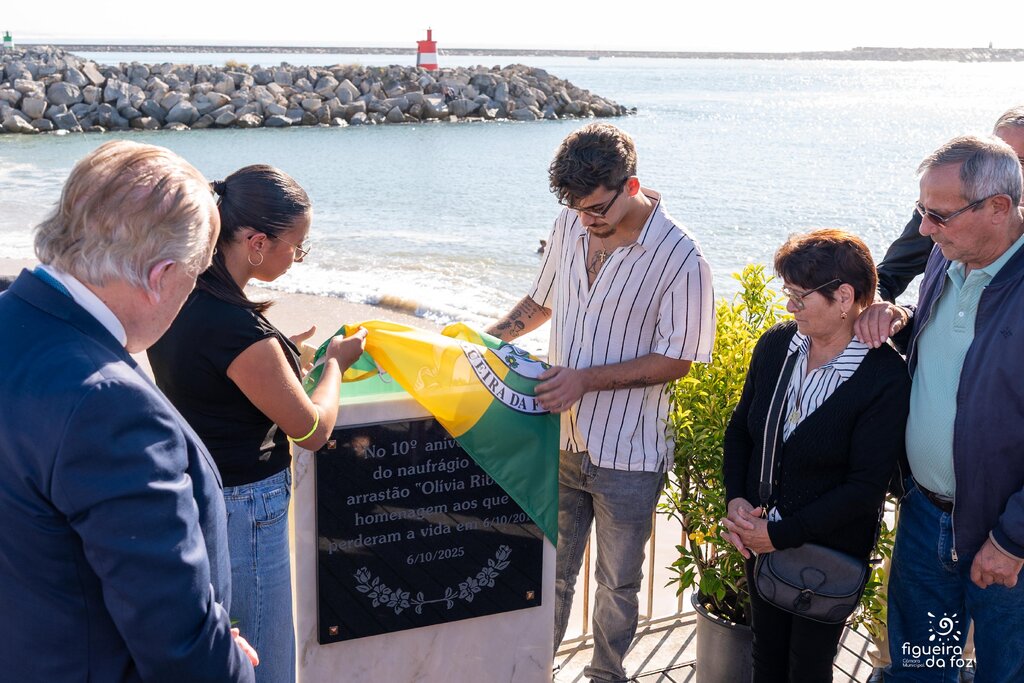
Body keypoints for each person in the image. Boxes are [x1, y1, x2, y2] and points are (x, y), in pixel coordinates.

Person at [0, 140, 257, 682]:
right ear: (161, 277)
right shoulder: (109, 405)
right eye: (195, 278)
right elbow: (181, 648)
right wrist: (226, 658)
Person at [486, 123, 715, 682]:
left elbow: (679, 358)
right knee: (550, 575)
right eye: (575, 208)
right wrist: (484, 343)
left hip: (630, 456)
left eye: (593, 209)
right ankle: (537, 671)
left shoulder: (681, 256)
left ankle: (605, 676)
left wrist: (585, 380)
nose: (584, 221)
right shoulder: (570, 221)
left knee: (618, 584)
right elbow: (541, 301)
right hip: (559, 439)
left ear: (630, 184)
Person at [148, 165, 367, 683]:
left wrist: (285, 357)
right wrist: (335, 362)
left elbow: (213, 375)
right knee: (265, 656)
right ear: (256, 242)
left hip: (197, 491)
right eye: (298, 245)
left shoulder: (178, 292)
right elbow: (312, 430)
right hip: (247, 506)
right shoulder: (239, 330)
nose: (299, 257)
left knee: (223, 645)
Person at [855, 135, 1024, 682]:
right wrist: (900, 318)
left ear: (999, 207)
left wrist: (1013, 540)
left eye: (938, 215)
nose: (924, 228)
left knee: (1004, 671)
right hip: (926, 517)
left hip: (1003, 539)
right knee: (923, 667)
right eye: (920, 212)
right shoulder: (946, 254)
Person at [719, 229, 910, 682]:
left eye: (800, 297)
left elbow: (864, 490)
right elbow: (740, 432)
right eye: (788, 294)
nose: (789, 307)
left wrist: (781, 534)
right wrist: (737, 501)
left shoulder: (885, 376)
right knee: (765, 659)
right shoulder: (777, 345)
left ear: (844, 297)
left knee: (807, 669)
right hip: (760, 542)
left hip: (827, 555)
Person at [875, 106, 1024, 303]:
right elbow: (886, 278)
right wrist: (886, 315)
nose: (1012, 171)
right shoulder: (937, 215)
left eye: (1020, 161)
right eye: (1001, 157)